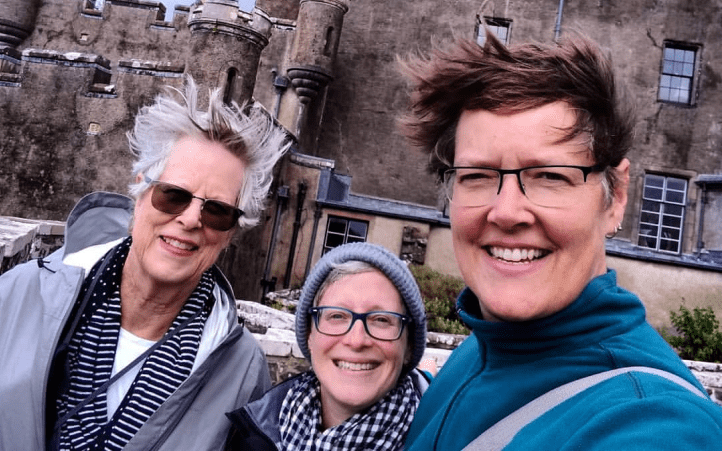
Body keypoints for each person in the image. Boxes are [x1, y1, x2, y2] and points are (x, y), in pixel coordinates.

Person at [398, 33, 722, 450]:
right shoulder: (480, 351)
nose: (506, 212)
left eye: (549, 176)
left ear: (615, 197)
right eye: (476, 176)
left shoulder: (656, 426)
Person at [0, 79, 289, 451]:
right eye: (174, 195)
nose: (190, 219)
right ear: (140, 193)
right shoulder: (21, 295)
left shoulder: (243, 370)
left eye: (217, 210)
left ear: (230, 232)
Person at [225, 242, 430, 451]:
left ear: (409, 345)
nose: (356, 340)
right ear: (309, 335)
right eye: (337, 316)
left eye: (381, 320)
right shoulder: (250, 438)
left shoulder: (441, 440)